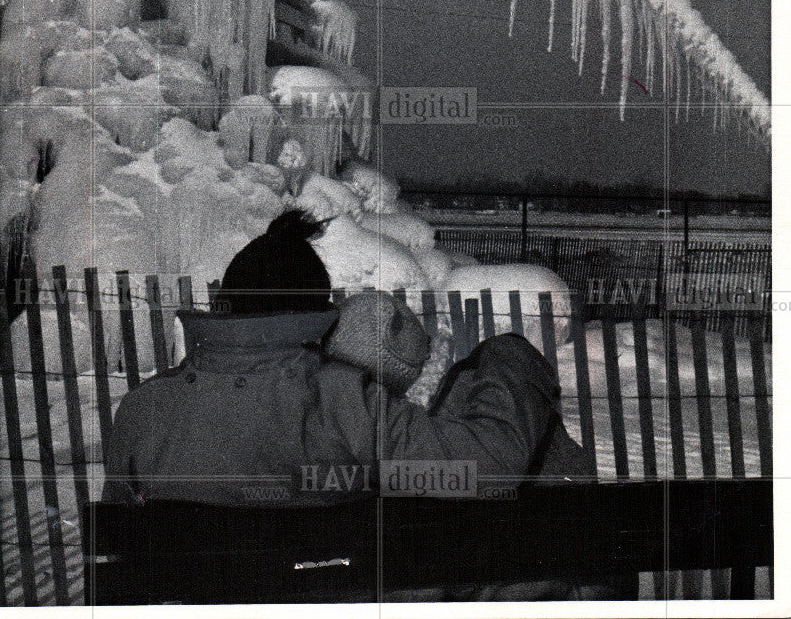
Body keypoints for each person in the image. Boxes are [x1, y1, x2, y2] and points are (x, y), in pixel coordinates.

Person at [103, 209, 633, 600]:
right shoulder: (338, 399)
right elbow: (484, 469)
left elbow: (122, 546)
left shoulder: (142, 411)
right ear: (317, 312)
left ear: (222, 307)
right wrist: (510, 358)